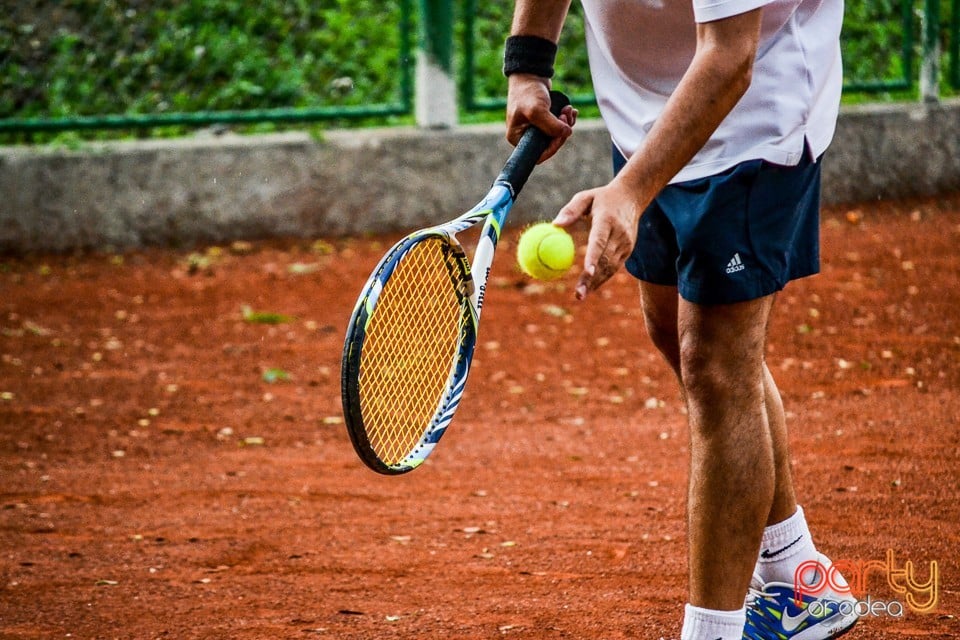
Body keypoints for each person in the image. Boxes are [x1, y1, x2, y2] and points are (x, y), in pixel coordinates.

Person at [503, 2, 859, 639]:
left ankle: (712, 632)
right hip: (645, 117)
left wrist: (630, 193)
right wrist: (527, 64)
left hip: (751, 122)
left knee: (717, 365)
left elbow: (730, 56)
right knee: (675, 334)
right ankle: (797, 576)